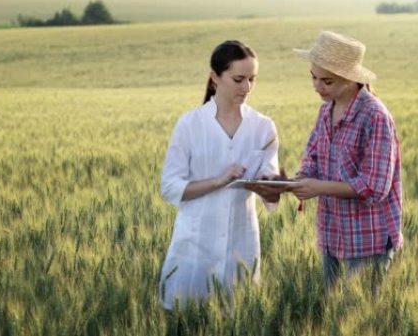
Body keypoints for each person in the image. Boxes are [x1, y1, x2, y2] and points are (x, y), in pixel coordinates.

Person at [159, 40, 280, 310]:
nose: (246, 87)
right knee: (186, 317)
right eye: (238, 79)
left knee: (238, 317)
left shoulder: (263, 127)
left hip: (242, 244)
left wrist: (272, 186)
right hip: (195, 243)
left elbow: (270, 179)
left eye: (252, 79)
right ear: (215, 78)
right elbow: (170, 187)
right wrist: (219, 180)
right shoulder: (190, 125)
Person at [290, 31, 403, 295]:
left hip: (367, 239)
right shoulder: (325, 110)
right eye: (313, 77)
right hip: (332, 234)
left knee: (360, 318)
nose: (317, 86)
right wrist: (291, 182)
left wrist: (317, 187)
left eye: (326, 81)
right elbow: (312, 157)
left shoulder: (374, 116)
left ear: (351, 79)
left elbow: (374, 187)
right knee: (334, 315)